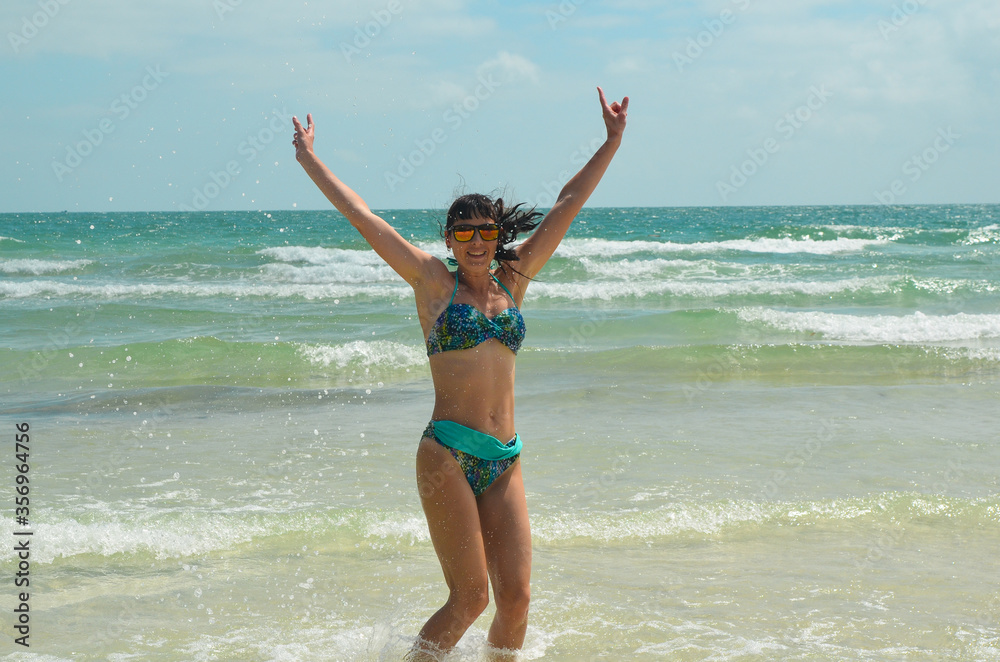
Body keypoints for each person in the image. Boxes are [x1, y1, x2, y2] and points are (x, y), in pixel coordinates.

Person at [291, 86, 628, 660]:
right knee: (470, 597)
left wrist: (611, 141)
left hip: (505, 458)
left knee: (516, 599)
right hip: (446, 451)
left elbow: (568, 203)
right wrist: (309, 160)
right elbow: (363, 217)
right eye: (464, 232)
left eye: (487, 231)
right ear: (449, 239)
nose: (477, 241)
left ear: (499, 236)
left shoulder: (514, 282)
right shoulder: (432, 284)